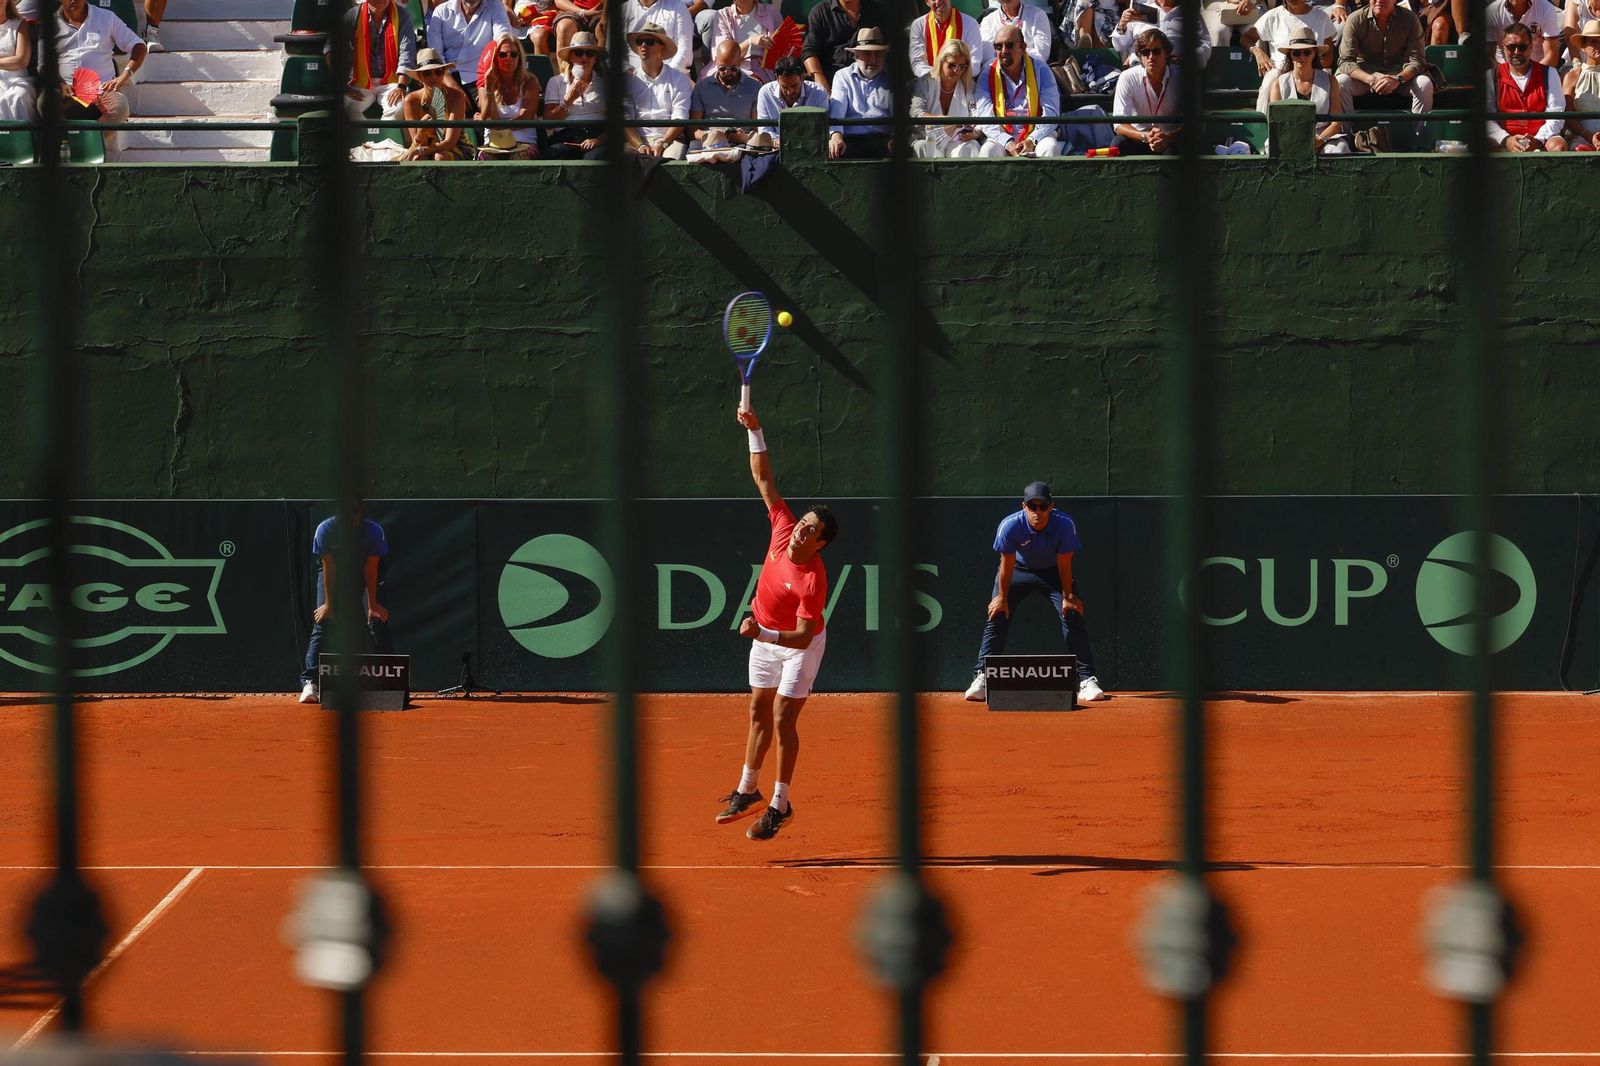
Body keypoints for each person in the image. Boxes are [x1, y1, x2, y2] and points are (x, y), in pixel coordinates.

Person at [717, 404, 837, 842]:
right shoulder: (783, 527)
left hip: (798, 646)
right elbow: (763, 478)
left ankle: (780, 804)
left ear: (821, 544)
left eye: (811, 532)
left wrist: (761, 632)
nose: (801, 532)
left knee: (785, 719)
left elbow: (805, 635)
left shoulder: (812, 580)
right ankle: (747, 789)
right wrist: (756, 430)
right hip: (765, 641)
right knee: (756, 710)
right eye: (803, 524)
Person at [962, 481, 1104, 706]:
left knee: (1072, 614)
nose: (1038, 511)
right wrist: (1000, 597)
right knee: (997, 613)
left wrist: (1068, 596)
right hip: (1018, 571)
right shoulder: (1009, 526)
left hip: (1053, 573)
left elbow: (1065, 564)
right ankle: (983, 677)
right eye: (1032, 506)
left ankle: (1086, 680)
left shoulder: (1065, 525)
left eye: (1043, 506)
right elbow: (1006, 564)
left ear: (1051, 506)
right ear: (1024, 506)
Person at [298, 500, 393, 704]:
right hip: (334, 573)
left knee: (376, 618)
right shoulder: (325, 530)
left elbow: (370, 568)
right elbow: (329, 568)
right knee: (323, 619)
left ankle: (386, 683)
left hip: (365, 571)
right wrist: (329, 605)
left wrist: (373, 605)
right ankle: (310, 683)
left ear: (359, 514)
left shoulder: (373, 532)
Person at [49, 0, 146, 158]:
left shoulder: (106, 17)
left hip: (101, 87)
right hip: (65, 89)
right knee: (43, 102)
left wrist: (124, 75)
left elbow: (138, 46)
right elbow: (42, 65)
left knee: (120, 108)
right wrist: (59, 84)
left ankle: (82, 141)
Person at [977, 22, 1063, 156]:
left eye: (1009, 45)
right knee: (988, 151)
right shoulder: (987, 74)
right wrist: (1007, 141)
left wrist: (1032, 139)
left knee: (1050, 148)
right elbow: (985, 117)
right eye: (998, 46)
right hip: (1001, 136)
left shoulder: (1041, 70)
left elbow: (1051, 113)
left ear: (1022, 47)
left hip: (1036, 134)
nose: (1004, 51)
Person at [1336, 0, 1433, 117]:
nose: (1379, 0)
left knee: (1424, 83)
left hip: (1399, 74)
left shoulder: (1410, 19)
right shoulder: (1355, 19)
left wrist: (1397, 79)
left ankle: (1420, 134)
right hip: (1366, 75)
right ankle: (1347, 133)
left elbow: (1417, 60)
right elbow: (1345, 61)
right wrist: (1371, 80)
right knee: (1340, 83)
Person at [1267, 27, 1351, 152]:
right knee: (1273, 148)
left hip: (1323, 138)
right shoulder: (1278, 84)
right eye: (1296, 53)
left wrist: (1320, 139)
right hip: (1289, 137)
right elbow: (1276, 124)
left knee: (1339, 148)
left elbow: (1336, 123)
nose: (1302, 57)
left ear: (1314, 53)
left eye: (1306, 52)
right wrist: (1297, 140)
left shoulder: (1331, 81)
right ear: (1290, 55)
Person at [1245, 0, 1337, 113]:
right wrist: (1258, 52)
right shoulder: (1273, 16)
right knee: (1268, 84)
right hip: (1280, 70)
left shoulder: (1321, 17)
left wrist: (1309, 71)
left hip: (1314, 69)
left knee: (1335, 85)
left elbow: (1328, 55)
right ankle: (1263, 127)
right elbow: (1246, 38)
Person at [1489, 21, 1567, 150]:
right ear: (1503, 48)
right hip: (1505, 137)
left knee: (1558, 146)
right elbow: (1487, 117)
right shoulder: (1491, 76)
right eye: (1511, 47)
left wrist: (1538, 139)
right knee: (1484, 145)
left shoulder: (1550, 73)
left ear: (1531, 47)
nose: (1516, 51)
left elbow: (1556, 115)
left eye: (1522, 47)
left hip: (1541, 138)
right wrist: (1505, 139)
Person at [912, 38, 996, 156]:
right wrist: (941, 120)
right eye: (952, 65)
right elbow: (916, 112)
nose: (957, 70)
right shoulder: (925, 82)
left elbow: (977, 115)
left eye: (962, 66)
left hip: (958, 140)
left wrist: (975, 133)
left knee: (971, 146)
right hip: (927, 138)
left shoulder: (969, 85)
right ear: (942, 61)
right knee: (923, 147)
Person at [429, 0, 513, 113]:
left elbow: (502, 41)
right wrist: (453, 88)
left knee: (488, 116)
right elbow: (435, 56)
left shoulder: (495, 5)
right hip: (447, 77)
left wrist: (484, 84)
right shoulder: (441, 11)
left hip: (482, 77)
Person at [342, 0, 418, 121]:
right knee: (345, 107)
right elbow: (331, 47)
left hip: (392, 81)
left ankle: (383, 138)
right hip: (361, 81)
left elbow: (407, 52)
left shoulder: (401, 15)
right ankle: (366, 139)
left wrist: (401, 85)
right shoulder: (352, 15)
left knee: (398, 108)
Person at [625, 21, 691, 157]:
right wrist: (640, 145)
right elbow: (626, 121)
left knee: (673, 160)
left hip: (671, 141)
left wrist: (664, 142)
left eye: (649, 42)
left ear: (662, 49)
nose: (643, 45)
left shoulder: (679, 79)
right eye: (639, 42)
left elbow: (680, 118)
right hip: (637, 141)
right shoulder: (628, 82)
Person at [827, 25, 892, 158]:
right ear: (856, 55)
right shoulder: (843, 76)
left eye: (878, 53)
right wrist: (836, 137)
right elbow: (837, 110)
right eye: (867, 53)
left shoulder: (893, 78)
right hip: (850, 141)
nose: (873, 59)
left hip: (885, 141)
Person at [1111, 28, 1180, 153]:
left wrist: (1168, 138)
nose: (1151, 57)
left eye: (1156, 51)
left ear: (1166, 53)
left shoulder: (1181, 77)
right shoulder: (1127, 77)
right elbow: (1119, 124)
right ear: (1140, 56)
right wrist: (1144, 136)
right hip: (1140, 138)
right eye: (1145, 52)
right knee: (1118, 143)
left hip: (1171, 140)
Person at [397, 48, 474, 160]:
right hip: (423, 147)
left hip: (457, 148)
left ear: (443, 73)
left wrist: (421, 150)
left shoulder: (456, 96)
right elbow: (417, 142)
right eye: (428, 73)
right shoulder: (411, 100)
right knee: (417, 159)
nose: (434, 77)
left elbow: (450, 142)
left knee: (439, 157)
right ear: (420, 77)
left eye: (438, 72)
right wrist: (421, 131)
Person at [543, 30, 608, 157]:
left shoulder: (606, 83)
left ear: (595, 58)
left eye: (589, 53)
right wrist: (568, 100)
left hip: (598, 135)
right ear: (570, 57)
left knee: (596, 158)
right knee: (553, 154)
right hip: (567, 137)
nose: (584, 57)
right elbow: (548, 123)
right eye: (579, 53)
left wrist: (599, 140)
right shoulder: (557, 81)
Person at [477, 29, 542, 158]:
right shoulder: (486, 82)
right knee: (484, 157)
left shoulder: (530, 81)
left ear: (519, 57)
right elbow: (491, 119)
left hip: (524, 142)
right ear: (494, 58)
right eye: (502, 55)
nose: (509, 59)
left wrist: (497, 127)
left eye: (514, 54)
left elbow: (525, 118)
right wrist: (489, 88)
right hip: (494, 145)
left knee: (518, 156)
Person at [802, 0, 891, 91]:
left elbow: (892, 48)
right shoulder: (820, 12)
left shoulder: (879, 11)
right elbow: (809, 52)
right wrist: (824, 91)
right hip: (830, 82)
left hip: (874, 85)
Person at [690, 38, 760, 150]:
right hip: (708, 141)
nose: (727, 73)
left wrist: (745, 138)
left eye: (733, 69)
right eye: (722, 68)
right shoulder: (702, 87)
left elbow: (758, 129)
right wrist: (713, 135)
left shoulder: (755, 87)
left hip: (742, 143)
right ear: (716, 61)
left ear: (740, 62)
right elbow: (693, 130)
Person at [755, 53, 828, 143]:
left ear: (802, 77)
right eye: (784, 87)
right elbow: (764, 129)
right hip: (774, 149)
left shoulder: (818, 93)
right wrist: (776, 141)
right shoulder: (765, 92)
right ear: (777, 78)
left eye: (794, 86)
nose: (789, 92)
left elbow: (820, 130)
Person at [910, 0, 987, 78]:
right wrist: (940, 77)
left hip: (961, 83)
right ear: (927, 2)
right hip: (931, 82)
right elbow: (918, 64)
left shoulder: (970, 24)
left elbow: (975, 65)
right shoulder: (918, 26)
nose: (938, 2)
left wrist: (952, 74)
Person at [708, 0, 780, 80]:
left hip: (764, 69)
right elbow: (725, 58)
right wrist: (750, 41)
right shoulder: (723, 15)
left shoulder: (771, 11)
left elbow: (783, 44)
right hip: (731, 69)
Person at [624, 0, 694, 73]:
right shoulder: (624, 10)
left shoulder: (678, 6)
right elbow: (613, 52)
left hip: (672, 77)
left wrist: (668, 75)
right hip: (631, 77)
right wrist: (630, 73)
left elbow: (685, 49)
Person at [1563, 18, 1600, 149]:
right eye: (1594, 42)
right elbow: (1567, 116)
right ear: (1583, 46)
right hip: (1581, 137)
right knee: (1580, 149)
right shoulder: (1572, 76)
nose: (1598, 46)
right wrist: (1589, 136)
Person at [1488, 0, 1563, 64]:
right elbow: (1488, 57)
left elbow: (1551, 56)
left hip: (1539, 69)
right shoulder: (1492, 11)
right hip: (1502, 72)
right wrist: (1505, 76)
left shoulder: (1546, 8)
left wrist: (1532, 77)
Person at [0, 0, 35, 123]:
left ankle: (23, 140)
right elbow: (15, 59)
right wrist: (9, 60)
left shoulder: (20, 24)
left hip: (18, 79)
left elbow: (21, 61)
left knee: (19, 96)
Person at [983, 0, 1051, 64]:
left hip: (1032, 71)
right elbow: (988, 60)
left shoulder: (1038, 15)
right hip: (998, 73)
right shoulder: (988, 21)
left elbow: (1041, 55)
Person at [552, 0, 605, 68]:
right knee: (564, 27)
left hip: (602, 12)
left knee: (604, 28)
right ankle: (565, 75)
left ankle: (600, 74)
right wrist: (583, 12)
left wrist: (604, 14)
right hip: (575, 10)